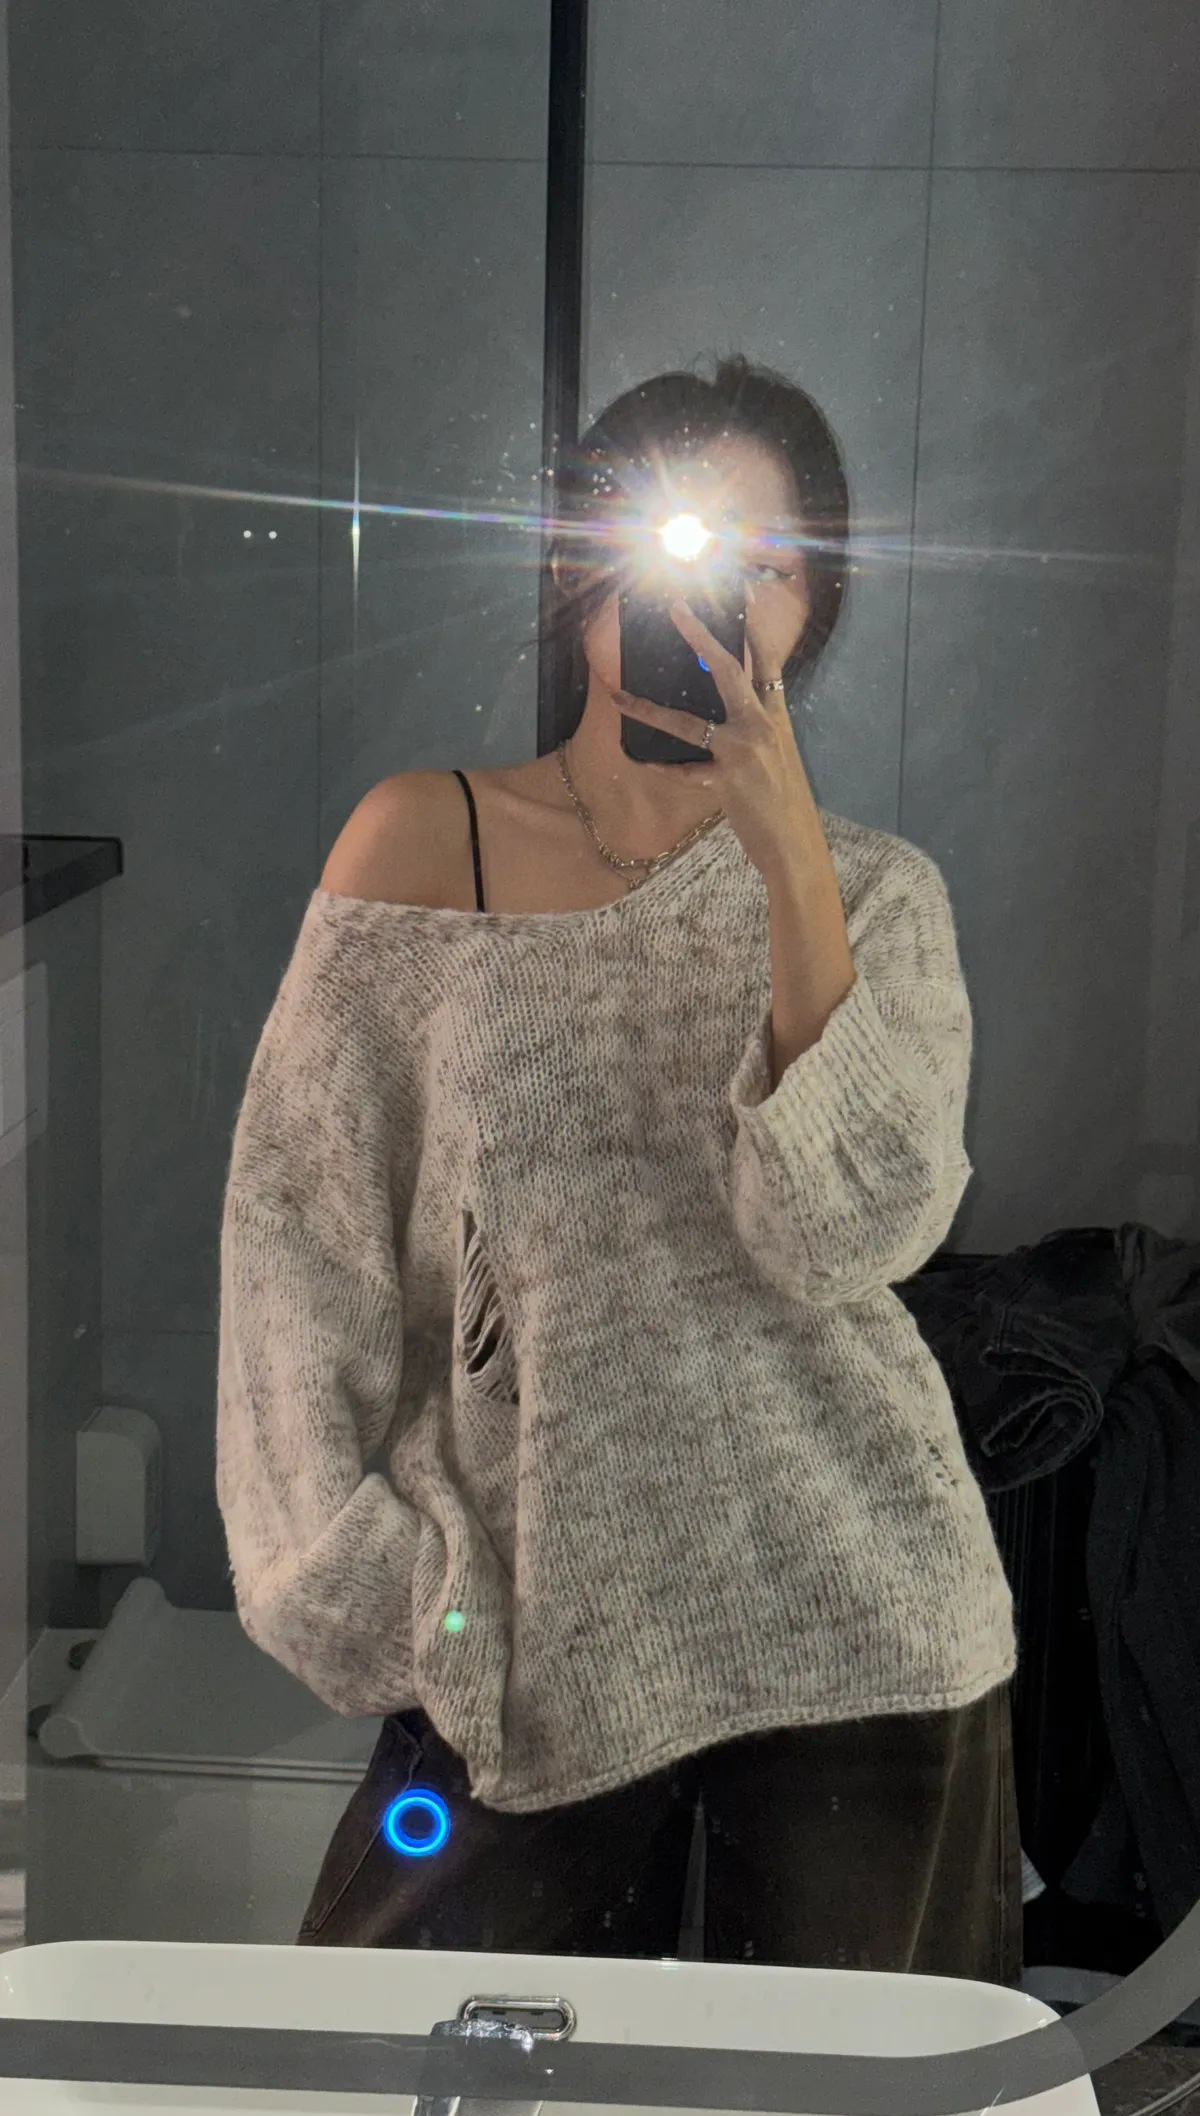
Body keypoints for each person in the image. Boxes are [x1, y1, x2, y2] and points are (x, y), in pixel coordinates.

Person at [215, 354, 1021, 1979]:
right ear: (583, 565)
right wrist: (384, 1597)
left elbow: (850, 1231)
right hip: (526, 1638)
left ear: (813, 609)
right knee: (411, 2076)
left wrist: (789, 862)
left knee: (827, 2102)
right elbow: (295, 1254)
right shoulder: (419, 846)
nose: (714, 598)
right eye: (674, 542)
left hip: (862, 1630)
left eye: (765, 562)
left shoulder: (878, 899)